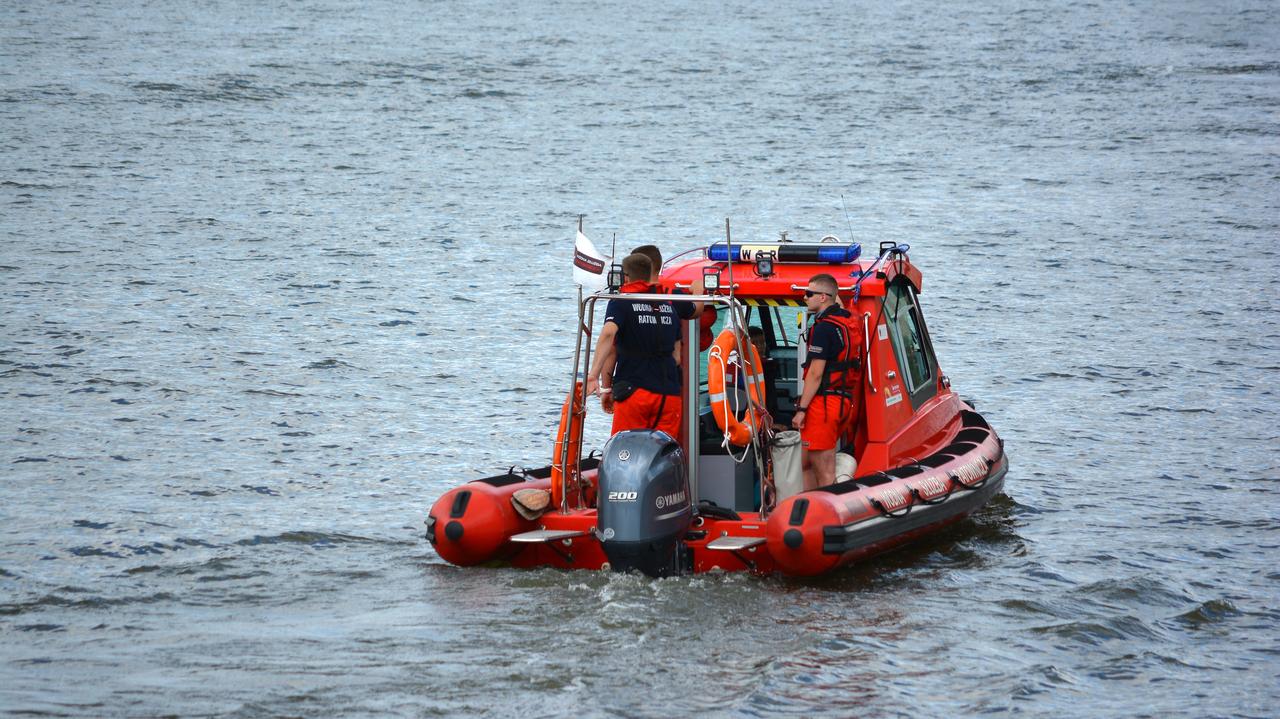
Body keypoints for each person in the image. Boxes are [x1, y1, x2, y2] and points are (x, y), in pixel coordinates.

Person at [586, 253, 700, 437]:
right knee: (662, 453)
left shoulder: (621, 302)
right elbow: (677, 357)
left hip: (634, 394)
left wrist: (594, 376)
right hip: (668, 396)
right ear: (650, 274)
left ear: (626, 278)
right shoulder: (669, 304)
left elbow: (608, 335)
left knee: (626, 451)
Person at [791, 273, 863, 489]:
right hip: (842, 403)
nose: (805, 297)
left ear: (823, 297)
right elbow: (836, 300)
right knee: (804, 463)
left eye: (809, 293)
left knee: (824, 471)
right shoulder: (848, 319)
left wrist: (801, 409)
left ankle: (824, 515)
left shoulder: (823, 329)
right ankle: (807, 507)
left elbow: (815, 374)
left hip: (823, 406)